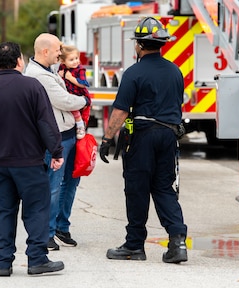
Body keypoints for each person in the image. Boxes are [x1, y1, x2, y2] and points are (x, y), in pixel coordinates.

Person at [99, 17, 188, 264]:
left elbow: (120, 111)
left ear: (139, 45)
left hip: (143, 136)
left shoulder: (133, 72)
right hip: (169, 135)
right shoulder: (175, 70)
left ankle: (134, 245)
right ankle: (178, 242)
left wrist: (107, 138)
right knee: (163, 188)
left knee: (137, 189)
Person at [0, 42, 65, 276]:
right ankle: (37, 260)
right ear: (19, 61)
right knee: (36, 210)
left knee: (3, 211)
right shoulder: (32, 86)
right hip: (28, 163)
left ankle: (4, 263)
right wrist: (56, 151)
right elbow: (46, 123)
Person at [24, 33, 90, 251]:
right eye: (57, 50)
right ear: (45, 51)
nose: (60, 53)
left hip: (69, 133)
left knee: (70, 183)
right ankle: (48, 233)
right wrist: (84, 100)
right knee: (53, 186)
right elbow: (63, 100)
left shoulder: (50, 70)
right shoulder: (38, 75)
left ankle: (61, 226)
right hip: (57, 138)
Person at [58, 45, 91, 139]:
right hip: (68, 94)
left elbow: (83, 84)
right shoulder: (62, 68)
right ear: (63, 61)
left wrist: (69, 77)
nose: (76, 61)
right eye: (71, 60)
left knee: (77, 112)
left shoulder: (80, 69)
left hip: (79, 95)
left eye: (77, 58)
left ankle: (81, 126)